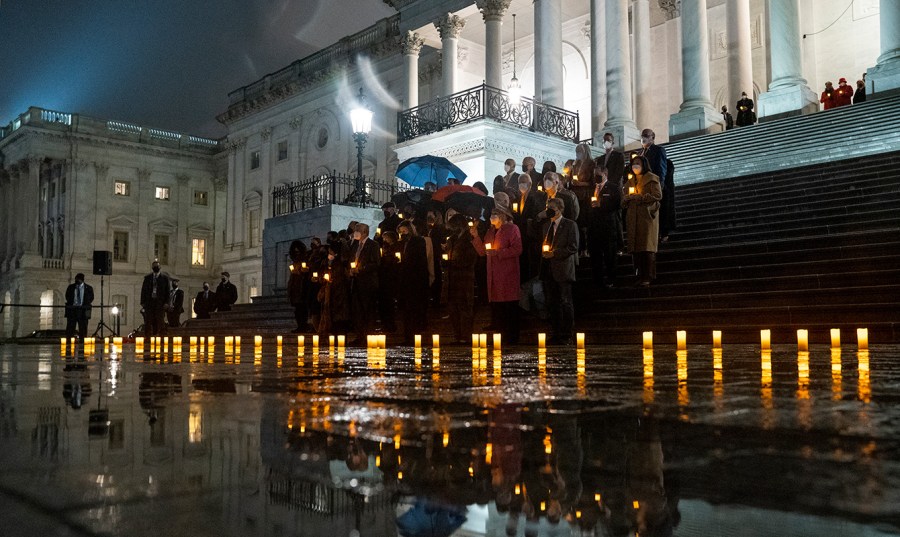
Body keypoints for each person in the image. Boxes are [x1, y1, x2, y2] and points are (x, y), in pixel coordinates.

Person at [472, 207, 523, 344]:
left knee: (509, 306)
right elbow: (482, 252)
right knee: (497, 306)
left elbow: (517, 249)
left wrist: (499, 253)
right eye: (491, 214)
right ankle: (500, 335)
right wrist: (476, 236)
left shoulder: (512, 229)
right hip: (493, 274)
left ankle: (512, 337)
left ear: (503, 216)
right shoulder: (490, 231)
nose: (492, 217)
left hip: (507, 274)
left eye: (495, 214)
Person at [540, 198, 578, 345]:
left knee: (565, 301)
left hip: (563, 268)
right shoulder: (546, 226)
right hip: (549, 269)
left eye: (552, 209)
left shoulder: (570, 225)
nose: (549, 211)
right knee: (552, 302)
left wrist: (554, 253)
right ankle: (555, 332)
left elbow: (573, 246)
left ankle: (567, 333)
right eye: (548, 208)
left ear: (560, 209)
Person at [623, 155, 663, 287]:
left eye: (638, 163)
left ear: (644, 165)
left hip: (646, 217)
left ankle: (648, 275)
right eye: (633, 163)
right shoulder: (629, 182)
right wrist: (627, 199)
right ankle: (639, 275)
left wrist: (641, 197)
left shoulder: (652, 178)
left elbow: (658, 195)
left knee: (646, 246)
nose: (635, 166)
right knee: (636, 248)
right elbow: (622, 200)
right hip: (633, 217)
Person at [589, 142, 624, 288]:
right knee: (595, 257)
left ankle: (611, 279)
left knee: (610, 256)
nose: (596, 177)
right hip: (594, 228)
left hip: (608, 227)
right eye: (595, 174)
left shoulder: (614, 188)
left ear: (605, 174)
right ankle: (598, 280)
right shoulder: (592, 189)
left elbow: (617, 204)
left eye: (599, 174)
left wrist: (601, 204)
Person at [444, 214, 478, 344]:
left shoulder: (468, 239)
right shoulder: (452, 239)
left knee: (464, 307)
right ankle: (457, 335)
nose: (452, 230)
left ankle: (466, 336)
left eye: (454, 227)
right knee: (453, 308)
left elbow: (470, 259)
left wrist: (454, 263)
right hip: (452, 278)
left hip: (464, 278)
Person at [397, 220, 430, 345]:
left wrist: (405, 262)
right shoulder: (403, 243)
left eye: (404, 231)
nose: (402, 233)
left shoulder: (418, 241)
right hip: (406, 281)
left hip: (416, 281)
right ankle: (408, 337)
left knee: (415, 310)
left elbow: (418, 261)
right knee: (407, 311)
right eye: (400, 232)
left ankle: (415, 337)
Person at [349, 223, 380, 344]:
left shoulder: (373, 245)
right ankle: (360, 336)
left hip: (368, 283)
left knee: (368, 310)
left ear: (365, 232)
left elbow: (376, 263)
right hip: (356, 282)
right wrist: (351, 270)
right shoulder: (355, 245)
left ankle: (368, 336)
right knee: (358, 311)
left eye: (358, 230)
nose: (355, 231)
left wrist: (360, 269)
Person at [140, 261, 171, 337]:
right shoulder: (147, 278)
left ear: (160, 267)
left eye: (157, 266)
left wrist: (167, 302)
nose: (155, 268)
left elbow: (167, 291)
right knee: (148, 321)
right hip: (149, 303)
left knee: (160, 321)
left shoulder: (165, 278)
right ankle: (147, 338)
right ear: (152, 268)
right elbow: (143, 290)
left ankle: (161, 337)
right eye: (154, 266)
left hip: (160, 303)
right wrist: (143, 302)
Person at [287, 240, 309, 333]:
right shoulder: (295, 262)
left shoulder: (304, 260)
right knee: (297, 310)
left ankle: (303, 326)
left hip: (302, 287)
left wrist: (301, 272)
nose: (296, 253)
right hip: (295, 288)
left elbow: (306, 273)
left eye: (298, 251)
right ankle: (300, 326)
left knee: (302, 309)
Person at [64, 273, 94, 339]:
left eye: (78, 279)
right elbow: (67, 296)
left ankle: (82, 342)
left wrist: (85, 304)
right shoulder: (71, 287)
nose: (76, 281)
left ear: (82, 280)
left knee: (83, 329)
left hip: (83, 310)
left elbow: (91, 298)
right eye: (76, 279)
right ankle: (69, 342)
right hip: (72, 310)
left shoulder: (88, 288)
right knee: (70, 328)